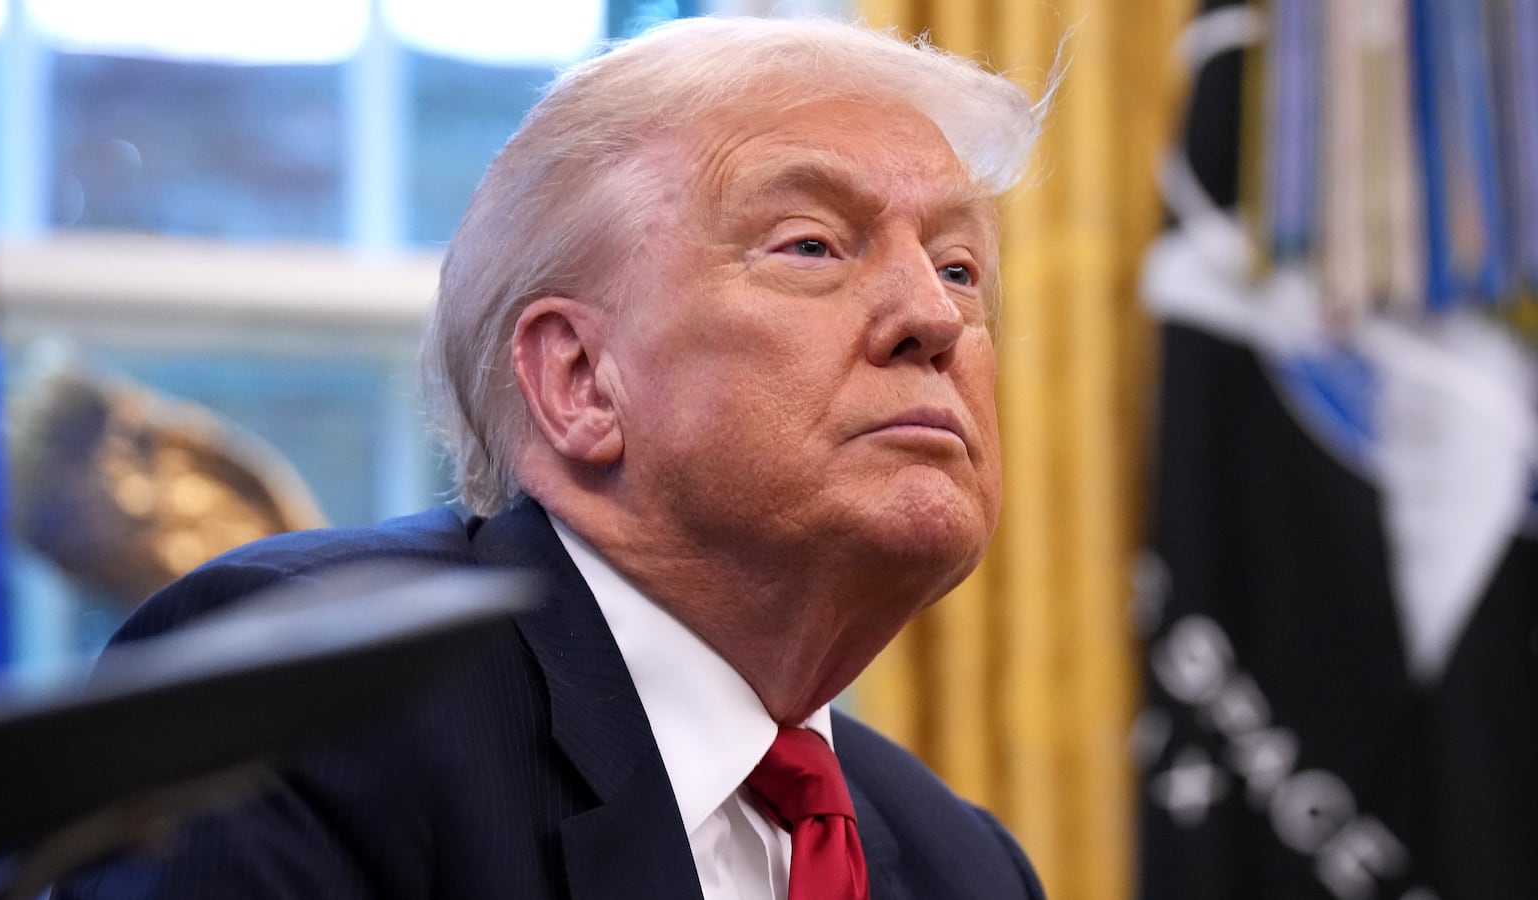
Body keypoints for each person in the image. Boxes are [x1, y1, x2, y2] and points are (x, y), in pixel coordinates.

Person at [57, 15, 1048, 900]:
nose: (935, 317)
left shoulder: (963, 865)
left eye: (959, 268)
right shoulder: (318, 706)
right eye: (812, 246)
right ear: (579, 380)